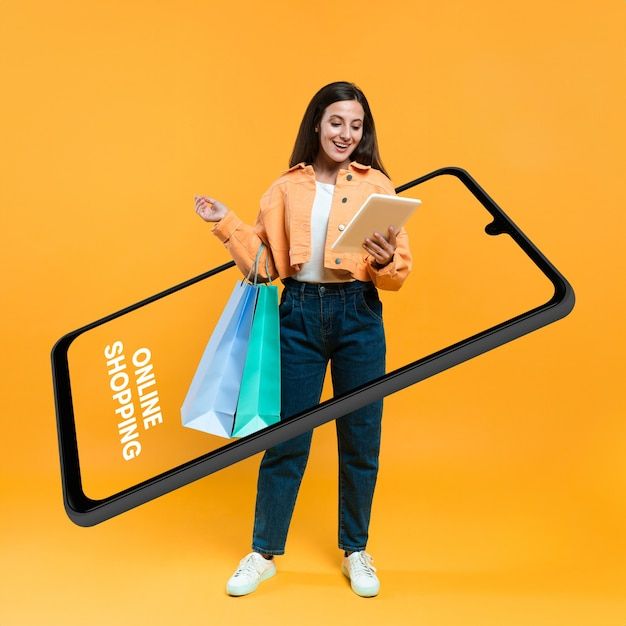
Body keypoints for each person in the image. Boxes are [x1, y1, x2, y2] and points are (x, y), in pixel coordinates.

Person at [195, 81, 412, 597]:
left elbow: (398, 272)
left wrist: (384, 261)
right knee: (285, 437)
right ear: (317, 123)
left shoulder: (377, 184)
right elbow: (264, 267)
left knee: (361, 437)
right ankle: (263, 552)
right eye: (337, 121)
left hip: (358, 313)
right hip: (297, 312)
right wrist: (225, 224)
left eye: (356, 125)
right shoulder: (284, 189)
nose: (346, 133)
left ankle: (356, 549)